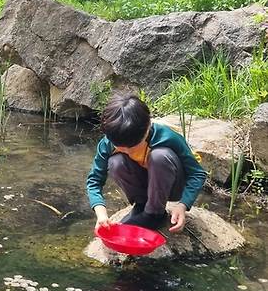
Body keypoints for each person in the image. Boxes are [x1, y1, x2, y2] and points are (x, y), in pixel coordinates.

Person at [86, 93, 207, 233]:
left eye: (133, 147)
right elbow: (94, 180)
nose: (129, 153)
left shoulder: (168, 137)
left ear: (148, 126)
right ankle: (142, 204)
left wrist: (183, 205)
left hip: (171, 185)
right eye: (121, 148)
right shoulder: (108, 143)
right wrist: (101, 214)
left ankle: (154, 213)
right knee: (115, 162)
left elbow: (197, 174)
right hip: (144, 187)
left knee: (160, 156)